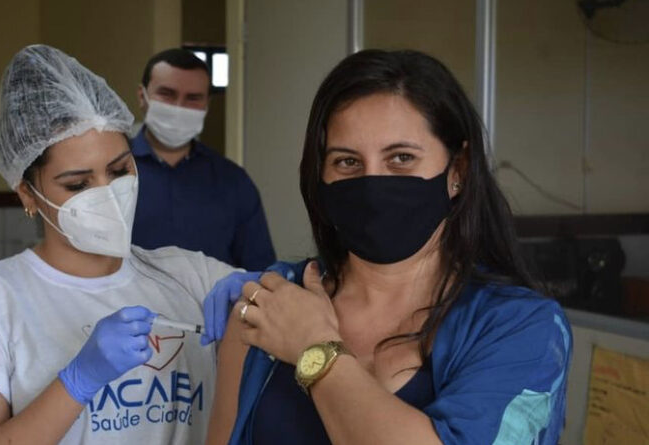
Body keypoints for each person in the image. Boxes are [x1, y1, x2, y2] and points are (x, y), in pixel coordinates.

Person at [204, 49, 572, 445]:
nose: (373, 184)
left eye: (401, 158)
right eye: (347, 162)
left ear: (458, 171)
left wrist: (315, 349)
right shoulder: (272, 305)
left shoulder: (518, 326)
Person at [0, 44, 239, 445]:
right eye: (78, 184)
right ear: (28, 194)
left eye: (119, 170)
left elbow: (299, 315)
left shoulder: (192, 276)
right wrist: (76, 382)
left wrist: (271, 284)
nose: (108, 193)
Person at [130, 48, 276, 270]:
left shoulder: (233, 181)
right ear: (142, 96)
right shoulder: (111, 171)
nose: (179, 107)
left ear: (207, 103)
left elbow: (260, 271)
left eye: (193, 98)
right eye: (167, 94)